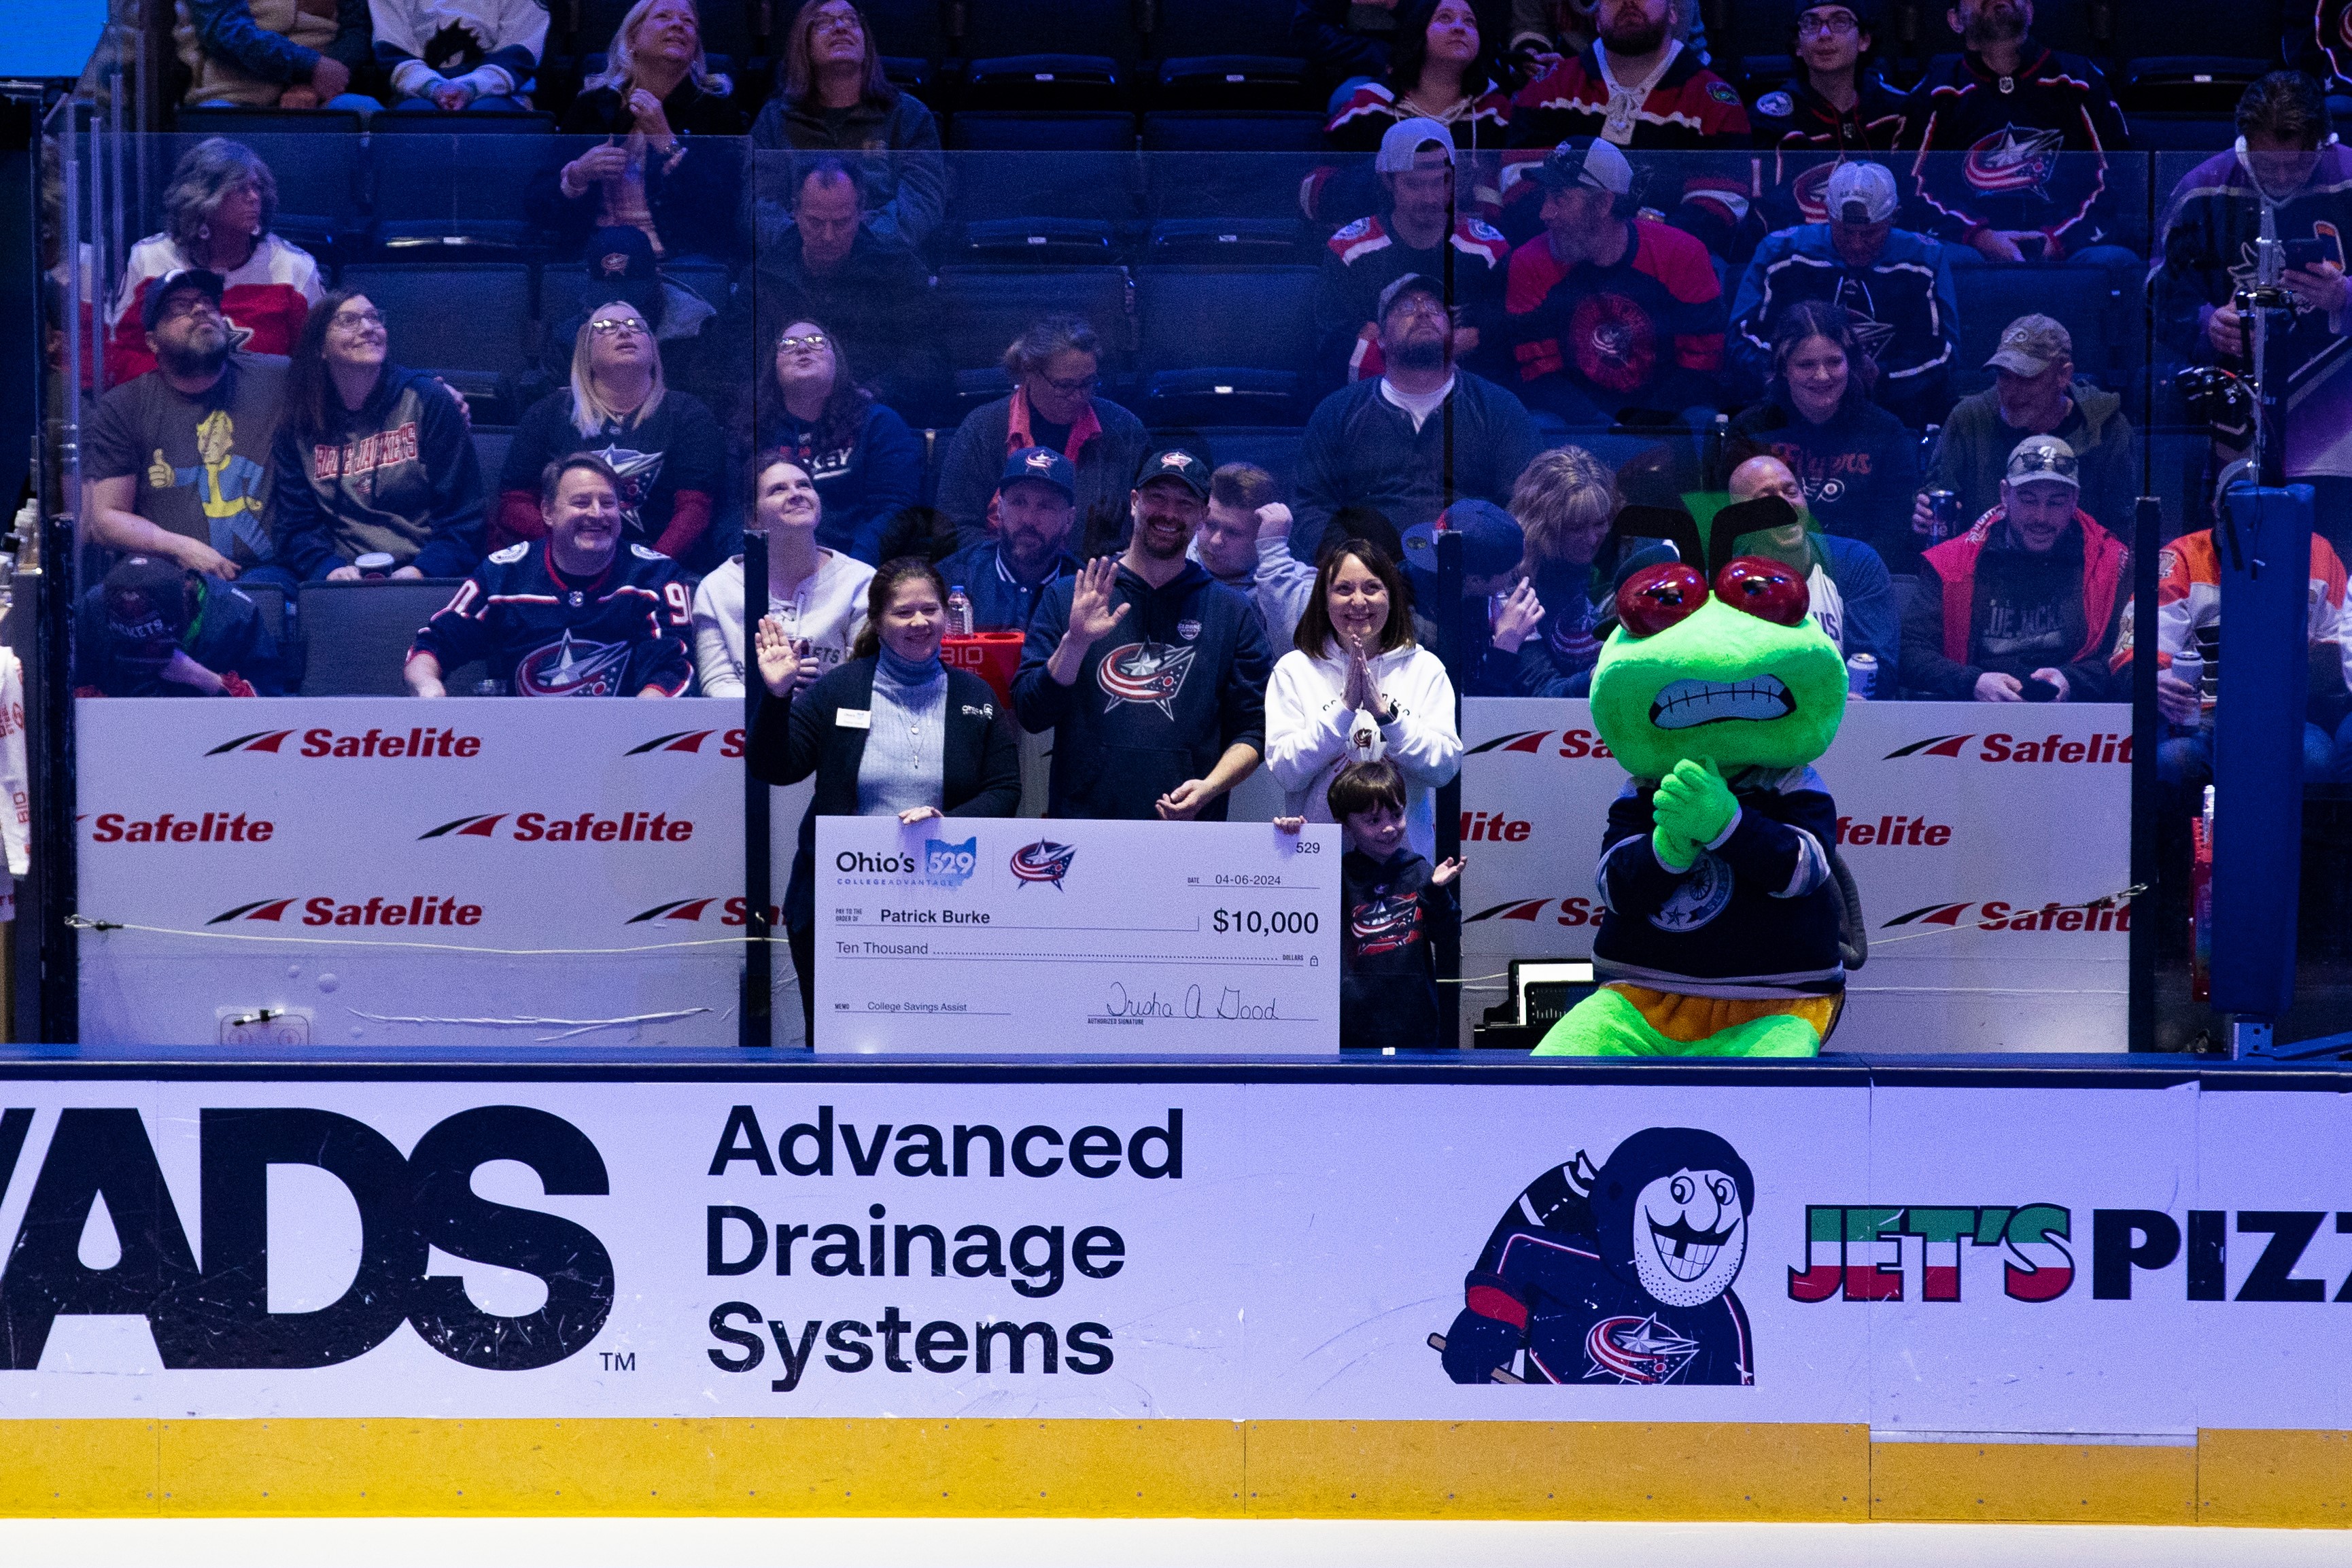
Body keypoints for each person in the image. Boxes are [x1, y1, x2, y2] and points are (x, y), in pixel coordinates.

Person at [748, 556, 1022, 1039]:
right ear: (877, 621)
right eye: (903, 612)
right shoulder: (840, 689)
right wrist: (776, 696)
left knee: (938, 1041)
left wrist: (948, 821)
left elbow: (1005, 790)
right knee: (838, 1041)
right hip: (837, 908)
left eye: (929, 609)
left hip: (945, 905)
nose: (919, 622)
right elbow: (776, 766)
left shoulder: (976, 696)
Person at [1013, 449, 1276, 822]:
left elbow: (1255, 731)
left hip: (1189, 829)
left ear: (1203, 516)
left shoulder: (1233, 612)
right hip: (1084, 829)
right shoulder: (1071, 595)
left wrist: (1211, 786)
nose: (1169, 513)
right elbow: (1031, 713)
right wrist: (1076, 642)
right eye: (1157, 498)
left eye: (1185, 503)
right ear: (1135, 502)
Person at [2152, 72, 2352, 554]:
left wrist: (2346, 296)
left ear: (2322, 144)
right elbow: (2160, 293)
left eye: (2296, 165)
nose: (2281, 178)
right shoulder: (2204, 189)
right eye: (2268, 165)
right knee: (2247, 553)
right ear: (2244, 141)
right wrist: (2207, 322)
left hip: (2340, 401)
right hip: (2239, 400)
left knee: (2337, 553)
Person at [407, 453, 694, 697]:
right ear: (548, 512)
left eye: (608, 503)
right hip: (519, 743)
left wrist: (631, 733)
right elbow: (430, 648)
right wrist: (428, 688)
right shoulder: (502, 574)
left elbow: (672, 671)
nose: (597, 514)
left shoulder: (657, 576)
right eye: (581, 503)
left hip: (624, 744)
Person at [1295, 273, 1541, 555]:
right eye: (1407, 308)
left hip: (1471, 573)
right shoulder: (1337, 412)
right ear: (1382, 339)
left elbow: (1526, 505)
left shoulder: (1499, 408)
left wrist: (1482, 566)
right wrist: (1353, 566)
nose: (1424, 312)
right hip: (1367, 582)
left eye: (1436, 308)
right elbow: (1311, 508)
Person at [1892, 0, 2135, 271]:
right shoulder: (1936, 90)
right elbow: (1908, 185)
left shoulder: (2079, 79)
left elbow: (2119, 177)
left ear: (2030, 12)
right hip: (1969, 252)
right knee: (1945, 261)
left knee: (2114, 262)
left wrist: (2058, 241)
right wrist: (1979, 237)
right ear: (1955, 20)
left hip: (2067, 251)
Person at [1504, 0, 1754, 261]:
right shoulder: (1549, 88)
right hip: (1560, 263)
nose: (1628, 2)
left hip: (1668, 275)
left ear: (1673, 12)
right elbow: (1519, 187)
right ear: (1597, 18)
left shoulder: (1715, 102)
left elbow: (1722, 204)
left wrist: (1631, 249)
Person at [264, 289, 484, 585]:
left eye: (373, 319)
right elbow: (297, 524)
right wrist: (328, 568)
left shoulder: (427, 401)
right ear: (321, 347)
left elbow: (463, 517)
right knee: (266, 583)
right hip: (340, 571)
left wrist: (422, 570)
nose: (368, 328)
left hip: (424, 567)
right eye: (349, 321)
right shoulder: (300, 421)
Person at [1502, 137, 1726, 428]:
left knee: (1702, 420)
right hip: (1576, 423)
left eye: (1559, 198)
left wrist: (1643, 423)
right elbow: (1538, 373)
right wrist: (1601, 425)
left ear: (1603, 203)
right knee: (1539, 423)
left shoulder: (1682, 254)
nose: (1545, 213)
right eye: (1546, 198)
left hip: (1665, 418)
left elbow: (1702, 366)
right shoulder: (1529, 262)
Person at [2121, 524, 2352, 799]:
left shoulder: (2317, 553)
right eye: (2232, 504)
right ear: (2214, 505)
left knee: (2315, 759)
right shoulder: (2181, 555)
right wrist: (2152, 679)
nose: (2246, 518)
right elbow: (2136, 646)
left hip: (2284, 716)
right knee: (2172, 760)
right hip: (2197, 719)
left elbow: (2338, 648)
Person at [83, 268, 288, 580]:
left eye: (207, 301)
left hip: (269, 574)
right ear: (152, 341)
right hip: (173, 575)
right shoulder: (125, 406)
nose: (200, 309)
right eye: (180, 306)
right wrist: (182, 547)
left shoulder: (276, 378)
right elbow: (106, 518)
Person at [1266, 538, 1462, 859]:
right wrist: (1343, 711)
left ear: (1392, 596)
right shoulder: (1293, 670)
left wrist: (1387, 718)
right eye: (1343, 589)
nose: (1359, 601)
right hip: (1319, 865)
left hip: (1404, 865)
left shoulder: (1425, 667)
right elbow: (1287, 773)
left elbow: (1443, 769)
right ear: (1324, 600)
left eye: (1372, 588)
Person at [1728, 160, 1960, 426]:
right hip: (1790, 412)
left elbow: (1944, 355)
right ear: (1827, 214)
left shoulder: (1925, 259)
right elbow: (1740, 337)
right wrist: (1794, 374)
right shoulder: (1780, 251)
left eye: (1870, 233)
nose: (1857, 244)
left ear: (1894, 217)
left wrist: (1881, 377)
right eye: (1846, 231)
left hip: (1895, 413)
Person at [498, 300, 727, 567]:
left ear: (653, 348)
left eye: (636, 326)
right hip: (566, 564)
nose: (624, 332)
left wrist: (650, 568)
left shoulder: (689, 414)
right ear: (586, 352)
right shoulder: (547, 414)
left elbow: (695, 510)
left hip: (661, 567)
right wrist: (571, 555)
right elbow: (515, 503)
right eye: (606, 327)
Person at [1900, 435, 2127, 703]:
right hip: (1974, 715)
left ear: (2075, 500)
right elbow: (1910, 650)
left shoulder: (2110, 563)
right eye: (2029, 500)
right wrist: (1972, 682)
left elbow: (2130, 654)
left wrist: (2073, 681)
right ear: (2005, 494)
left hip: (2076, 722)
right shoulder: (1953, 563)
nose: (2041, 517)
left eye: (2055, 502)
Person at [536, 0, 744, 264]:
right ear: (633, 38)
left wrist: (667, 143)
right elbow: (538, 202)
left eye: (688, 21)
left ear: (694, 50)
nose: (678, 25)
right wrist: (579, 174)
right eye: (664, 16)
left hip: (678, 260)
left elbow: (724, 208)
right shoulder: (592, 105)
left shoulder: (716, 109)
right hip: (593, 257)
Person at [106, 139, 322, 385]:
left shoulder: (294, 267)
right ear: (202, 198)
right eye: (240, 189)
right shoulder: (150, 258)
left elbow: (313, 362)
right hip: (172, 406)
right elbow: (123, 353)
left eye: (257, 187)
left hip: (264, 409)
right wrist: (187, 383)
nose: (254, 198)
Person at [1314, 120, 1510, 388]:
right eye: (1414, 185)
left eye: (1440, 183)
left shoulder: (1489, 249)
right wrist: (1446, 345)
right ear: (1388, 181)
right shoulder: (1349, 251)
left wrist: (1388, 342)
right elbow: (1335, 349)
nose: (1430, 198)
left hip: (1466, 408)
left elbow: (1502, 341)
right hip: (1375, 404)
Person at [736, 158, 944, 412]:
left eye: (842, 222)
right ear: (796, 213)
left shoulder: (898, 273)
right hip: (782, 415)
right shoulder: (764, 277)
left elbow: (931, 360)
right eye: (816, 222)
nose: (828, 236)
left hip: (872, 414)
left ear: (861, 213)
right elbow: (733, 364)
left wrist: (874, 393)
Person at [1725, 300, 1922, 568]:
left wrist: (1835, 573)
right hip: (1770, 575)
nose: (1822, 376)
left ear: (1849, 362)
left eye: (1834, 362)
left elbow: (1894, 532)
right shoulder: (1751, 431)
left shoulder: (1885, 431)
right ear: (1784, 368)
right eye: (1806, 365)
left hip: (1859, 576)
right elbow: (1731, 526)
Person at [1914, 313, 2136, 548]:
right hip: (1986, 575)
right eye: (2003, 376)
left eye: (2027, 378)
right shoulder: (1969, 419)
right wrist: (1924, 517)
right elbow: (1935, 508)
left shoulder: (2107, 429)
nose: (2010, 392)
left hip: (2078, 577)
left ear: (2063, 375)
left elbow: (2121, 535)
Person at [933, 315, 1151, 555]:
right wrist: (1018, 566)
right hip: (1000, 580)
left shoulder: (1125, 430)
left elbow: (1148, 522)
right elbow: (953, 530)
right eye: (1064, 386)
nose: (1079, 396)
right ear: (1030, 373)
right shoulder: (982, 429)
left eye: (1088, 383)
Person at [746, 0, 946, 253]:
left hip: (885, 261)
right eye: (824, 22)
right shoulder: (774, 119)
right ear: (803, 43)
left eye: (851, 20)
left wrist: (857, 243)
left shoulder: (910, 115)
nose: (841, 27)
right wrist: (811, 243)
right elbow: (756, 205)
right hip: (797, 264)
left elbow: (923, 201)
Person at [694, 451, 877, 699]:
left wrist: (818, 697)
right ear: (753, 518)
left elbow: (865, 677)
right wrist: (772, 696)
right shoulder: (716, 589)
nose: (796, 494)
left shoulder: (861, 582)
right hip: (746, 732)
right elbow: (717, 682)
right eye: (778, 490)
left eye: (804, 485)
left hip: (829, 727)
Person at [744, 317, 922, 563]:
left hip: (860, 566)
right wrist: (753, 566)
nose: (803, 348)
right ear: (773, 367)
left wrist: (850, 573)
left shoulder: (878, 423)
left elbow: (893, 510)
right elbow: (734, 512)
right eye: (788, 343)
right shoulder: (752, 430)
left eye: (817, 341)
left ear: (836, 360)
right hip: (770, 568)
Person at [1723, 455, 1899, 684]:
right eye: (1766, 500)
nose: (1785, 505)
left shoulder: (1855, 562)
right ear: (1741, 517)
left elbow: (1878, 666)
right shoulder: (1726, 579)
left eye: (1791, 492)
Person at [1328, 759, 1464, 1052]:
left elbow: (1448, 938)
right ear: (1346, 824)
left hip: (1415, 1028)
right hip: (1351, 1030)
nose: (1389, 828)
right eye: (1373, 821)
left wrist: (1437, 893)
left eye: (1396, 814)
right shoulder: (1334, 876)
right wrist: (1292, 836)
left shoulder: (1420, 872)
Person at [1748, 0, 1905, 229]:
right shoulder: (1771, 120)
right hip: (1801, 254)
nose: (1824, 34)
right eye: (1811, 23)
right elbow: (1765, 214)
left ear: (1864, 40)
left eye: (1840, 22)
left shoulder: (1896, 110)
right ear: (1798, 45)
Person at [72, 555, 283, 698]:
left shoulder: (235, 615)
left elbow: (269, 711)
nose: (145, 652)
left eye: (152, 637)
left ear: (187, 611)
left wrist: (202, 678)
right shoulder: (94, 609)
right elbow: (66, 698)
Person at [1324, 0, 1513, 155]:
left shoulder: (1495, 111)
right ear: (1418, 33)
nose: (1459, 27)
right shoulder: (1369, 108)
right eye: (1445, 18)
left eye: (1470, 21)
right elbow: (1317, 175)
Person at [935, 448, 1084, 634]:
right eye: (1018, 502)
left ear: (1069, 520)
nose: (1029, 519)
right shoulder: (947, 580)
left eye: (1046, 506)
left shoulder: (1087, 590)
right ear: (1000, 509)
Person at [1405, 498, 1529, 697]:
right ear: (1475, 580)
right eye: (1507, 571)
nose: (1514, 576)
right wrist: (1505, 649)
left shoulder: (1466, 599)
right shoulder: (1417, 632)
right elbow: (1465, 720)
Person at [1193, 462, 1317, 652]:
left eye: (1233, 532)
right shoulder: (1170, 563)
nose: (1216, 541)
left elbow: (1297, 653)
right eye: (1210, 525)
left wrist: (1273, 551)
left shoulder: (1300, 583)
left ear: (1261, 534)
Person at [175, 0, 378, 109]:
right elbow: (225, 32)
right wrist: (309, 66)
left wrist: (313, 85)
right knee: (216, 126)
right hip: (233, 92)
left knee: (366, 111)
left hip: (322, 96)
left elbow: (357, 30)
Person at [370, 0, 544, 112]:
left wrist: (471, 88)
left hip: (503, 95)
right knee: (416, 115)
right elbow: (391, 48)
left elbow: (520, 53)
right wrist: (433, 88)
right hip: (415, 94)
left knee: (488, 114)